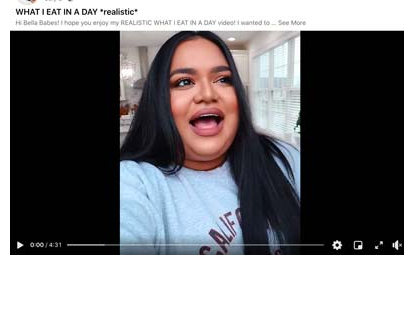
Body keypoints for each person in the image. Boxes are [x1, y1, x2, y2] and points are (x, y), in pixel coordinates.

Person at [119, 31, 300, 254]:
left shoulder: (284, 157)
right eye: (184, 82)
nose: (207, 94)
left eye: (223, 79)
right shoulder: (135, 184)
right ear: (159, 102)